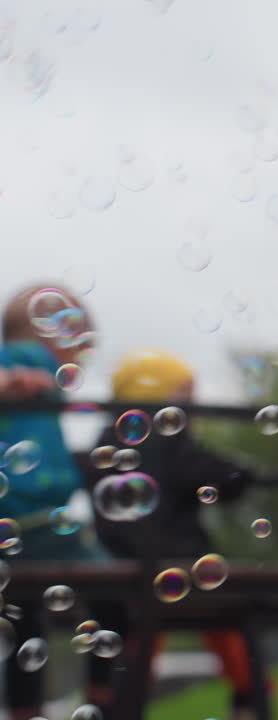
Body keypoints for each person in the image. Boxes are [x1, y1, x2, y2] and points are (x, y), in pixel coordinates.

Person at [81, 348, 266, 720]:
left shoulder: (106, 439)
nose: (190, 406)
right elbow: (219, 476)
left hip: (118, 564)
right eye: (183, 395)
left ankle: (106, 702)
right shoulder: (171, 441)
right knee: (231, 623)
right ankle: (251, 700)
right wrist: (244, 471)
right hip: (181, 562)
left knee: (124, 641)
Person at [0, 284, 112, 720]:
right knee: (116, 593)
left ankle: (25, 713)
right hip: (38, 522)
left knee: (25, 624)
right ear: (55, 335)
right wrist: (11, 379)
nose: (79, 359)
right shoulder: (26, 361)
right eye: (79, 344)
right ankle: (107, 700)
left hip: (24, 524)